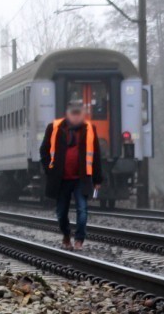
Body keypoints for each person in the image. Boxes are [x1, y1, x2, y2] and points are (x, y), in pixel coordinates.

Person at [40, 99, 103, 250]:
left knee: (82, 210)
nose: (76, 117)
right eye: (73, 114)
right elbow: (44, 151)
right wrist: (50, 169)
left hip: (81, 178)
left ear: (83, 115)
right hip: (61, 179)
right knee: (61, 212)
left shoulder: (89, 129)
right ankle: (66, 235)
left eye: (78, 114)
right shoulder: (54, 128)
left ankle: (79, 240)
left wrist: (97, 178)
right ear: (68, 114)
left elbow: (96, 155)